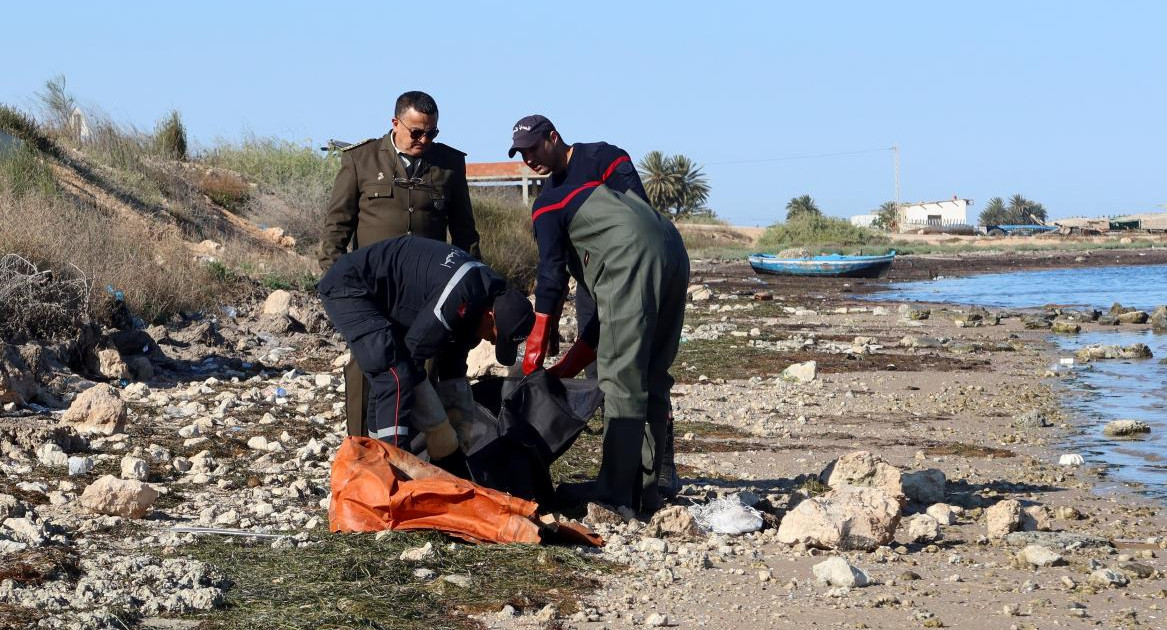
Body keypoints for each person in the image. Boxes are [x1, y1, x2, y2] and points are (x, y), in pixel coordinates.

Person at [507, 115, 690, 512]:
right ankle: (647, 488)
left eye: (535, 148)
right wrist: (564, 367)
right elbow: (599, 320)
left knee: (620, 378)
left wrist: (540, 333)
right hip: (670, 249)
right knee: (651, 373)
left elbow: (551, 273)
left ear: (554, 137)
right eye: (522, 154)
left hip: (627, 261)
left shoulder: (562, 192)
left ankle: (615, 492)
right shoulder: (572, 186)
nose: (530, 159)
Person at [318, 91, 480, 439]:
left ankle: (421, 458)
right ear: (395, 123)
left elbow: (466, 234)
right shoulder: (360, 160)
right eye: (416, 132)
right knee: (368, 367)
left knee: (424, 369)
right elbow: (337, 228)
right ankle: (363, 451)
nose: (424, 140)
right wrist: (336, 284)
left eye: (431, 133)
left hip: (428, 294)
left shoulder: (450, 164)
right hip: (371, 291)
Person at [318, 236, 534, 475]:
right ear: (490, 316)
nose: (491, 341)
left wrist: (459, 421)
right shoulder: (458, 296)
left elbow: (453, 363)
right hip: (352, 288)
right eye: (496, 336)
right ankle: (394, 474)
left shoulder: (486, 295)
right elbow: (413, 357)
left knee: (389, 379)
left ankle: (374, 464)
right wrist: (438, 428)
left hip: (388, 299)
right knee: (395, 377)